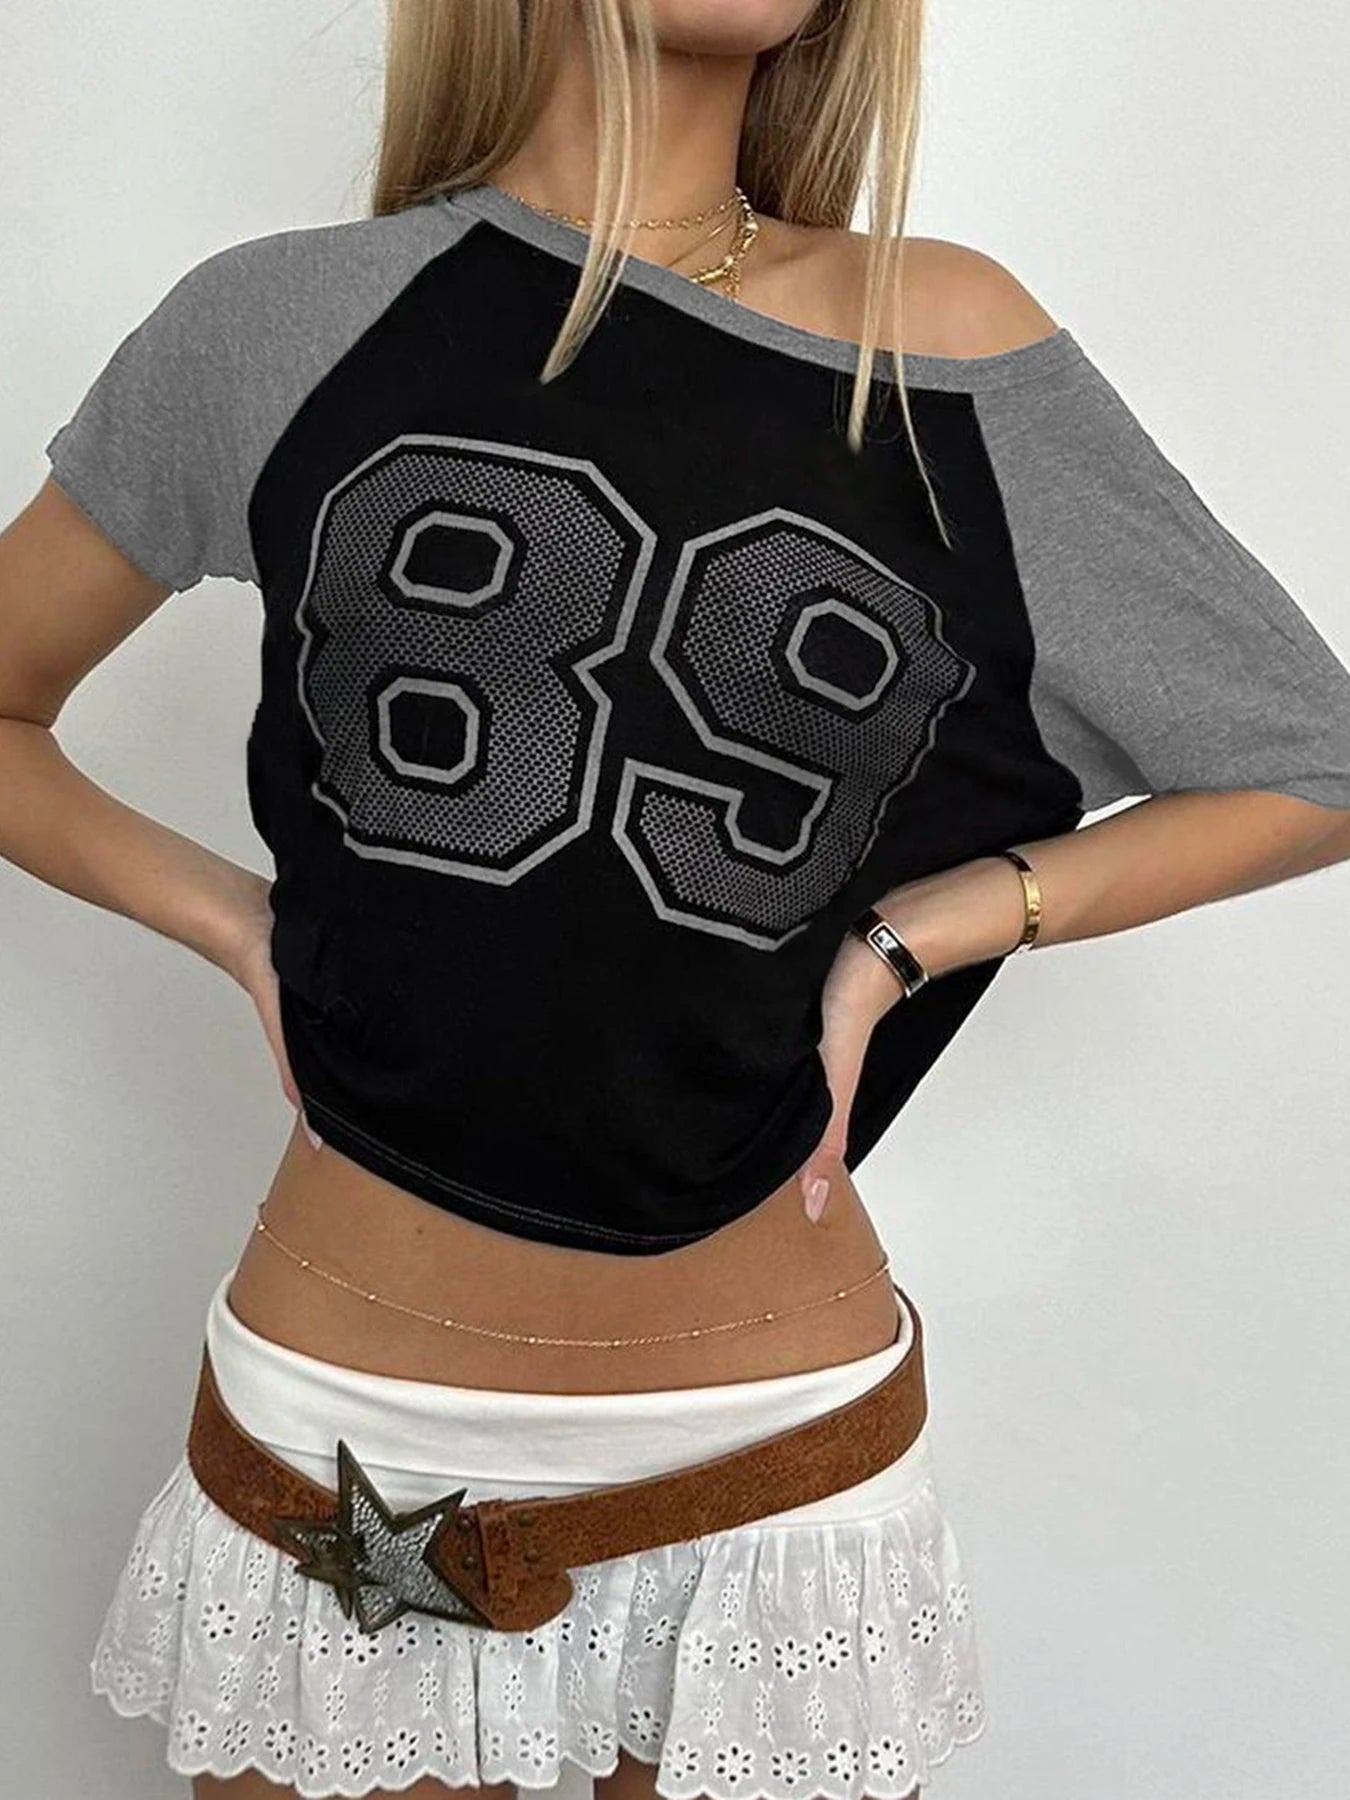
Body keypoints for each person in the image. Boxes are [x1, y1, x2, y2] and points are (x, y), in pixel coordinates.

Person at [6, 2, 1350, 1796]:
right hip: (343, 1435)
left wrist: (918, 936)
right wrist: (229, 920)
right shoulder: (282, 318)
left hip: (774, 1454)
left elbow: (1307, 760)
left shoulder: (943, 340)